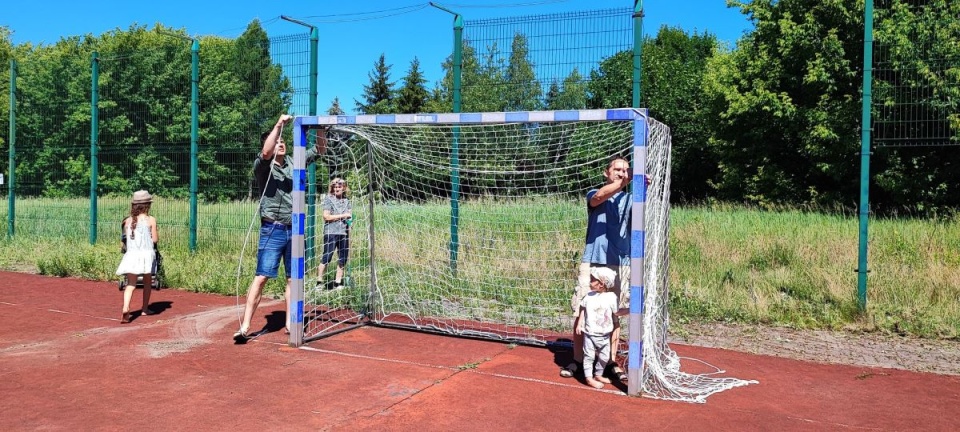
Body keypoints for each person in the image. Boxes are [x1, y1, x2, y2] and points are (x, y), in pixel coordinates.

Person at [234, 114, 326, 342]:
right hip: (272, 230)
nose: (281, 144)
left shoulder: (296, 162)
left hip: (294, 229)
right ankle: (245, 326)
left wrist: (320, 127)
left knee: (293, 279)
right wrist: (278, 124)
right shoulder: (263, 168)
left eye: (282, 141)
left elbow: (320, 149)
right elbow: (266, 153)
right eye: (277, 141)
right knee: (262, 276)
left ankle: (290, 323)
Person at [561, 156, 636, 381]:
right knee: (583, 309)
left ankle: (609, 361)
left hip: (620, 262)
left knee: (613, 313)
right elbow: (599, 198)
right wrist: (624, 182)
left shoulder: (632, 199)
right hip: (592, 260)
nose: (621, 173)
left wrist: (645, 186)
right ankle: (577, 359)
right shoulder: (595, 193)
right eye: (617, 170)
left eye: (625, 170)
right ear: (607, 172)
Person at [116, 190, 159, 324]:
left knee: (131, 284)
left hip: (132, 255)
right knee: (147, 282)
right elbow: (155, 240)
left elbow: (125, 240)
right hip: (146, 255)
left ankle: (125, 307)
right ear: (147, 205)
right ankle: (145, 309)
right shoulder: (150, 220)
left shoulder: (127, 221)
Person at [577, 267, 622, 389]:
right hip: (590, 334)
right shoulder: (589, 296)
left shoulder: (611, 297)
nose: (590, 282)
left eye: (592, 279)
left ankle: (598, 374)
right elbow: (583, 309)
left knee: (604, 357)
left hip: (605, 335)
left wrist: (630, 311)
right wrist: (580, 323)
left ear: (601, 284)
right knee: (589, 356)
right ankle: (589, 378)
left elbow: (616, 312)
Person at [316, 177, 352, 289]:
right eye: (335, 187)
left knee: (342, 258)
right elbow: (326, 216)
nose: (337, 188)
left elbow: (350, 217)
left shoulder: (347, 201)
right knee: (327, 257)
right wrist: (343, 216)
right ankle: (319, 282)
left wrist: (350, 224)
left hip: (343, 233)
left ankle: (338, 282)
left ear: (344, 188)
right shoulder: (329, 199)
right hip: (331, 232)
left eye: (339, 187)